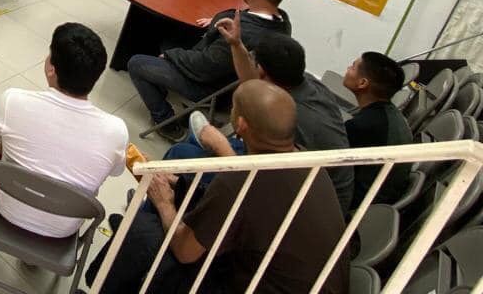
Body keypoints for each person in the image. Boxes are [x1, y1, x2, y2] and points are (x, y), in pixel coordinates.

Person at [86, 80, 349, 294]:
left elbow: (185, 251)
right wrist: (177, 184)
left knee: (144, 232)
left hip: (244, 283)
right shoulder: (310, 164)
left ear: (241, 124)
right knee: (168, 206)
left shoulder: (241, 182)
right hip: (289, 276)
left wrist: (164, 203)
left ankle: (102, 281)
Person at [0, 23, 128, 238]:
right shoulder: (116, 131)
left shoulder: (12, 100)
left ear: (51, 68)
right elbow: (115, 172)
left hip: (6, 207)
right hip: (63, 229)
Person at [197, 17, 354, 211]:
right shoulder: (302, 81)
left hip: (308, 203)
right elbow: (253, 82)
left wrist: (221, 146)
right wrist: (236, 44)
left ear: (262, 71)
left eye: (253, 59)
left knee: (187, 154)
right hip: (310, 177)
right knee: (199, 143)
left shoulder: (288, 116)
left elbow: (263, 176)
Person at [126, 0, 291, 141]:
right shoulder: (281, 23)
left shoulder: (245, 33)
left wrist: (171, 56)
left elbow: (205, 66)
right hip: (228, 79)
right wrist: (216, 20)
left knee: (137, 63)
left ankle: (167, 123)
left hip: (209, 87)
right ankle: (169, 94)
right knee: (170, 40)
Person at [342, 51, 413, 206]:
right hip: (378, 197)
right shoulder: (392, 115)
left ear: (362, 83)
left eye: (353, 67)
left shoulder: (361, 126)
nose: (347, 68)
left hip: (356, 203)